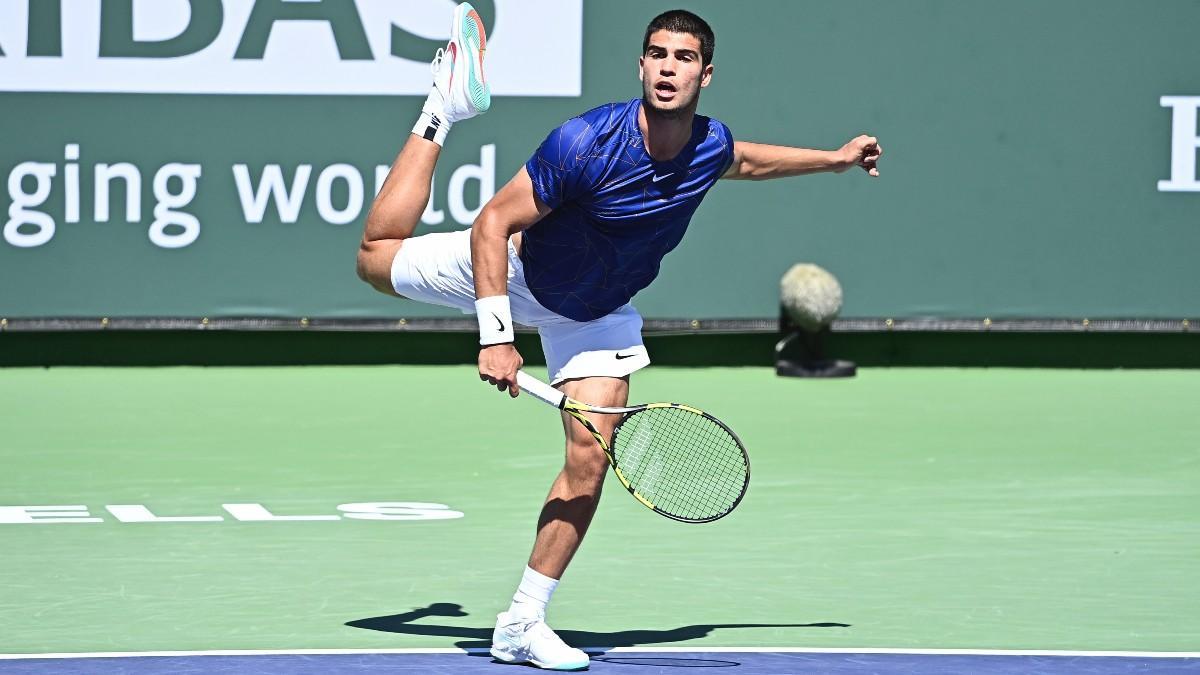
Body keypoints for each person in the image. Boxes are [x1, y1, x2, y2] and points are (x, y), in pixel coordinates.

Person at [356, 5, 882, 670]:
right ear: (641, 65)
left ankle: (521, 620)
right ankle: (441, 107)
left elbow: (744, 160)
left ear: (706, 74)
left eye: (683, 58)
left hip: (598, 310)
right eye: (657, 55)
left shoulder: (708, 145)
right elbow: (491, 222)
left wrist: (831, 160)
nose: (668, 68)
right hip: (518, 270)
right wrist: (496, 334)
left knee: (590, 458)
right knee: (375, 258)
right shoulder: (585, 143)